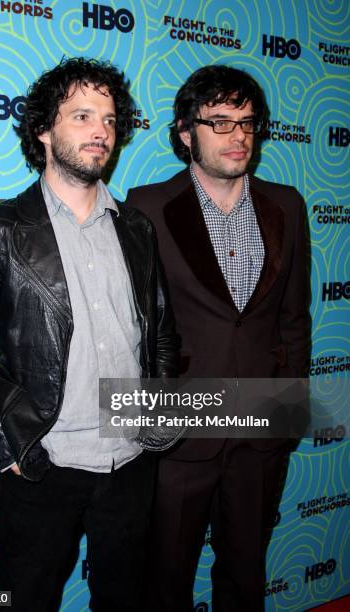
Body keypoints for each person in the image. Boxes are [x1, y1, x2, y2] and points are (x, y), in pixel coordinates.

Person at [0, 57, 179, 612]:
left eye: (111, 119)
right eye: (82, 116)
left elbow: (162, 337)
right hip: (39, 464)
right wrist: (7, 453)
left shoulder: (137, 228)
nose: (101, 131)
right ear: (44, 131)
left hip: (130, 464)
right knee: (21, 601)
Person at [126, 64, 311, 611]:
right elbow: (132, 325)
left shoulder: (289, 205)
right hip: (179, 427)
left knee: (246, 570)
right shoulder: (147, 207)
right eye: (221, 122)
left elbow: (294, 318)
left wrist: (287, 412)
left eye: (249, 123)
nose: (239, 137)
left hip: (262, 423)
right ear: (186, 133)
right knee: (165, 577)